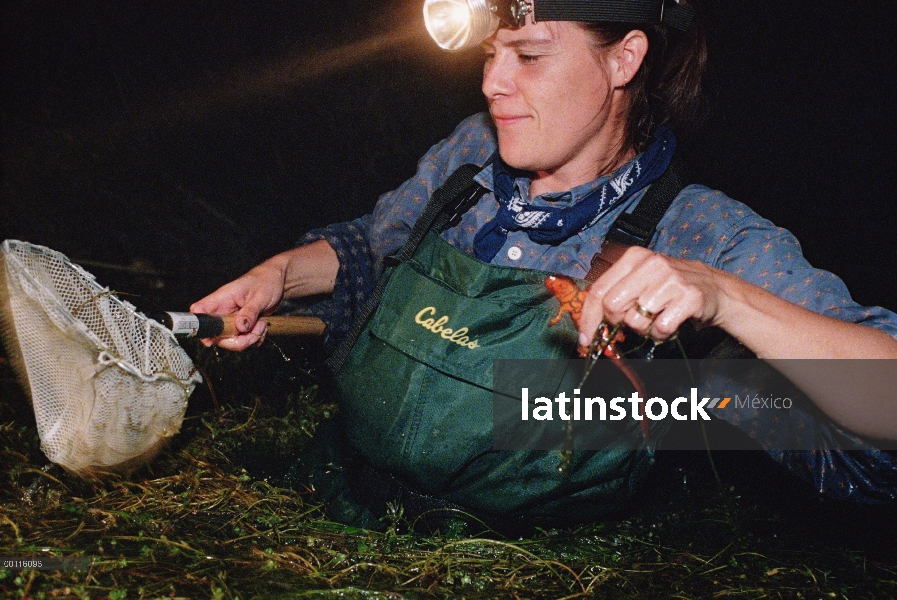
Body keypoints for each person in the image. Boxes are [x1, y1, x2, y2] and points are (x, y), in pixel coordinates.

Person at [191, 1, 897, 528]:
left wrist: (725, 299)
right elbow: (375, 249)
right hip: (325, 506)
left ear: (623, 60)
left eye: (528, 56)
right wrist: (280, 275)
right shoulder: (467, 156)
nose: (494, 83)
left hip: (519, 565)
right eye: (489, 55)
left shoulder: (699, 232)